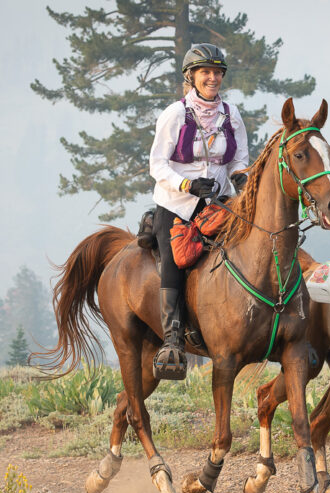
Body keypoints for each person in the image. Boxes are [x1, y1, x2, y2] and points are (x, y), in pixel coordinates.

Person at [148, 43, 249, 380]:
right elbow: (157, 165)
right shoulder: (174, 114)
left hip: (218, 206)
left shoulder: (231, 114)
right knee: (176, 262)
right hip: (176, 205)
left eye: (217, 72)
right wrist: (187, 186)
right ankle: (173, 339)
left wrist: (239, 179)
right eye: (206, 72)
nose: (213, 77)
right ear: (191, 77)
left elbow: (239, 159)